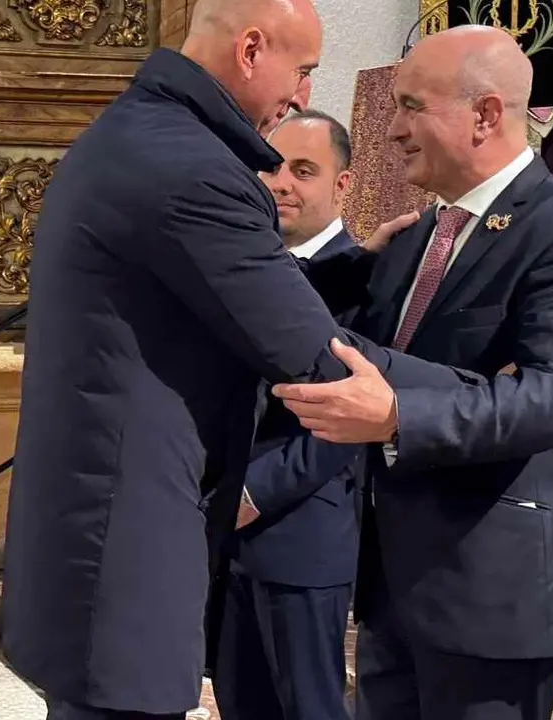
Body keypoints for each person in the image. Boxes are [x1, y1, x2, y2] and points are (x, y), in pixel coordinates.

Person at [0, 0, 480, 717]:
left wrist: (350, 272)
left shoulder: (140, 133)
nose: (304, 95)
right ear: (252, 49)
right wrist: (478, 395)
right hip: (126, 547)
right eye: (305, 71)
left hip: (96, 533)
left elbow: (205, 304)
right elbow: (310, 356)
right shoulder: (194, 167)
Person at [272, 26, 553, 720]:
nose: (392, 130)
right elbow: (366, 341)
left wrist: (399, 416)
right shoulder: (421, 236)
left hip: (494, 598)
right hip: (395, 586)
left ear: (487, 115)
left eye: (410, 106)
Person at [213, 110, 361, 720]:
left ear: (342, 185)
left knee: (309, 708)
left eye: (304, 171)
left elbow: (354, 416)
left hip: (304, 530)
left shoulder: (364, 277)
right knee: (238, 702)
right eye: (272, 167)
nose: (281, 184)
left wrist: (254, 490)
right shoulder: (243, 267)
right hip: (226, 532)